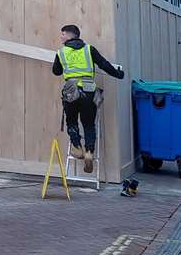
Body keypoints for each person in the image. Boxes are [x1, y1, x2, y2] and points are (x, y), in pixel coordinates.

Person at [51, 23, 125, 173]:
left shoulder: (61, 52)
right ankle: (89, 152)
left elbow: (56, 72)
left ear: (69, 35)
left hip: (71, 91)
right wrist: (119, 74)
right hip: (88, 91)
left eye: (62, 34)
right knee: (89, 124)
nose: (61, 37)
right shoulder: (89, 49)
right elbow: (104, 64)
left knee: (71, 120)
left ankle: (77, 147)